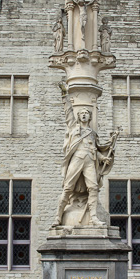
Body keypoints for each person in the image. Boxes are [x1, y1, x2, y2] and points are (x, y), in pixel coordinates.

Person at [52, 82, 114, 227]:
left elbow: (95, 149)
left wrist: (102, 157)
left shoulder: (92, 133)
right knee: (68, 187)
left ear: (90, 116)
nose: (84, 115)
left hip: (89, 161)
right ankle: (58, 217)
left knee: (93, 188)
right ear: (79, 116)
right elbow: (68, 112)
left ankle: (93, 217)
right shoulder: (74, 127)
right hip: (77, 158)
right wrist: (64, 95)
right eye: (82, 113)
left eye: (87, 113)